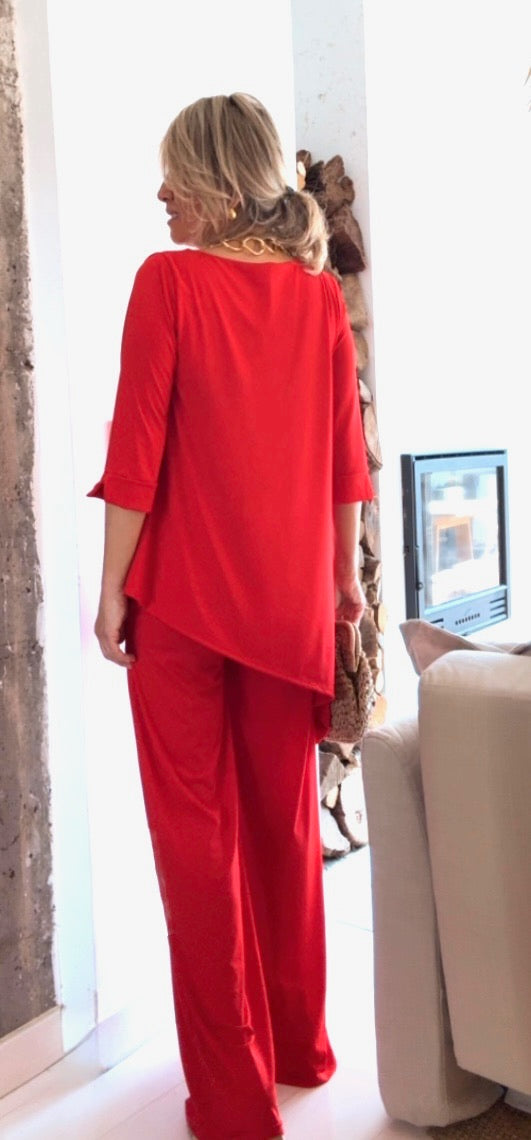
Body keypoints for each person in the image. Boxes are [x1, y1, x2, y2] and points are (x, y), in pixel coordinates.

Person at [89, 92, 374, 1140]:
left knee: (197, 849)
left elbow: (136, 456)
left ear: (216, 181)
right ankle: (300, 1048)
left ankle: (232, 1103)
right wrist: (341, 584)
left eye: (175, 174)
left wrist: (113, 587)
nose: (161, 194)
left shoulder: (169, 283)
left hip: (184, 604)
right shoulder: (316, 297)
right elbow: (346, 462)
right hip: (289, 603)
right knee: (284, 831)